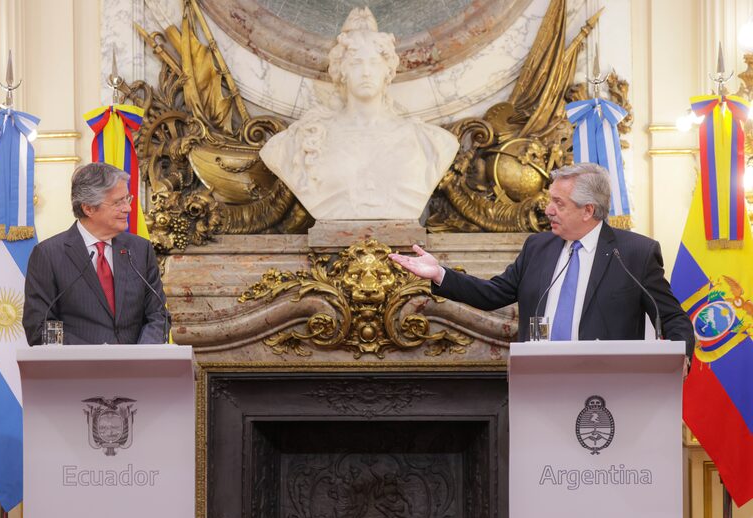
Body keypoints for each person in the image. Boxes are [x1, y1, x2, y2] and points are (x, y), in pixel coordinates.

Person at [389, 162, 695, 357]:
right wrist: (439, 273)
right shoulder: (538, 246)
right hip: (540, 383)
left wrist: (682, 355)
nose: (547, 209)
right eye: (550, 200)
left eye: (558, 203)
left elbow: (671, 316)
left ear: (588, 210)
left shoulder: (634, 254)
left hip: (608, 387)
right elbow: (493, 293)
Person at [259, 7, 459, 221]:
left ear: (388, 71)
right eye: (356, 63)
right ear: (342, 71)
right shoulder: (305, 139)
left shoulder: (430, 141)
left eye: (374, 63)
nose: (366, 72)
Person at [23, 162, 166, 345]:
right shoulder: (48, 255)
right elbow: (39, 327)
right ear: (88, 208)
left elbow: (158, 314)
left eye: (127, 199)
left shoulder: (140, 249)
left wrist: (141, 355)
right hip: (79, 369)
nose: (128, 208)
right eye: (118, 202)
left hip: (136, 369)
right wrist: (95, 357)